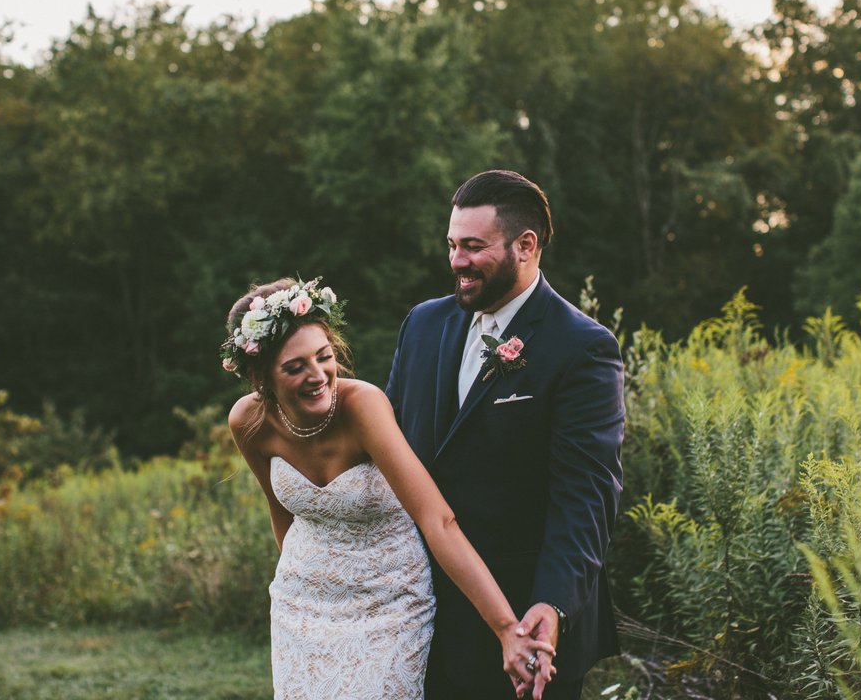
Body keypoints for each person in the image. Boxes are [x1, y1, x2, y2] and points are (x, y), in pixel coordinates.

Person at [222, 277, 555, 700]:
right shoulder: (248, 422)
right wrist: (302, 590)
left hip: (389, 602)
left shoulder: (363, 406)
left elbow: (438, 520)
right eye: (294, 367)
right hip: (301, 606)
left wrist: (507, 628)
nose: (317, 375)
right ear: (259, 375)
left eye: (323, 357)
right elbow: (282, 512)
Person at [386, 170, 625, 700]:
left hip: (525, 617)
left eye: (473, 246)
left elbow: (586, 495)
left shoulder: (582, 347)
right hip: (421, 609)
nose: (456, 261)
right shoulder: (421, 325)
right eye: (451, 245)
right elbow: (391, 449)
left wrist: (553, 602)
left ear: (526, 245)